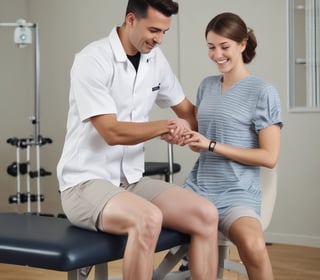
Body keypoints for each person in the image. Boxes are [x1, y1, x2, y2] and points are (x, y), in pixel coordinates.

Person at [56, 1, 219, 279]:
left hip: (131, 181)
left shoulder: (155, 59)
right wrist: (165, 127)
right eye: (154, 30)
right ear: (131, 19)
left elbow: (188, 112)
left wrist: (198, 132)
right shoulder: (92, 59)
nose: (159, 39)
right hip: (83, 184)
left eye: (165, 32)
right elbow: (111, 132)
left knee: (206, 214)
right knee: (148, 218)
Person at [181, 12, 283, 280]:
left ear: (242, 44)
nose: (217, 55)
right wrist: (187, 136)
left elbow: (269, 156)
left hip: (237, 194)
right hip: (198, 189)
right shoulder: (206, 86)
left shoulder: (263, 92)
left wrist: (212, 145)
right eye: (211, 47)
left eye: (224, 47)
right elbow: (200, 146)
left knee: (253, 246)